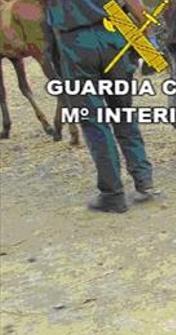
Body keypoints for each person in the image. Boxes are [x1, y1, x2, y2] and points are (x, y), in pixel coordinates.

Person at [45, 0, 155, 213]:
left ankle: (112, 195)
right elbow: (137, 7)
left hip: (74, 44)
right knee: (123, 113)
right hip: (113, 34)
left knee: (94, 123)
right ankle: (144, 182)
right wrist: (148, 44)